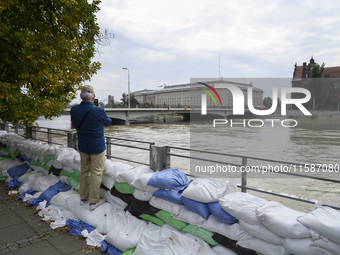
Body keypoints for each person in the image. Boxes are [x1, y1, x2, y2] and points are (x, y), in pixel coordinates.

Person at [70, 85, 112, 211]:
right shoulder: (98, 110)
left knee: (84, 171)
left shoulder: (74, 109)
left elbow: (73, 126)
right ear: (93, 97)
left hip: (83, 145)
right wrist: (100, 109)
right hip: (97, 147)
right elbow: (108, 122)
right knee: (96, 173)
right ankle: (93, 201)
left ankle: (83, 198)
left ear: (80, 96)